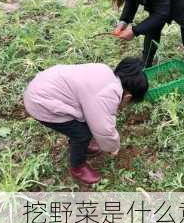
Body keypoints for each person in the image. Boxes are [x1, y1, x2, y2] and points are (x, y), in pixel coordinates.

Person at [23, 57, 148, 185]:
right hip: (41, 103)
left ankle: (82, 146)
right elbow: (103, 129)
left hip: (43, 87)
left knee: (85, 123)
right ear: (128, 97)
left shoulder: (105, 71)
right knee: (82, 134)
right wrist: (113, 146)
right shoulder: (107, 95)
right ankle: (77, 167)